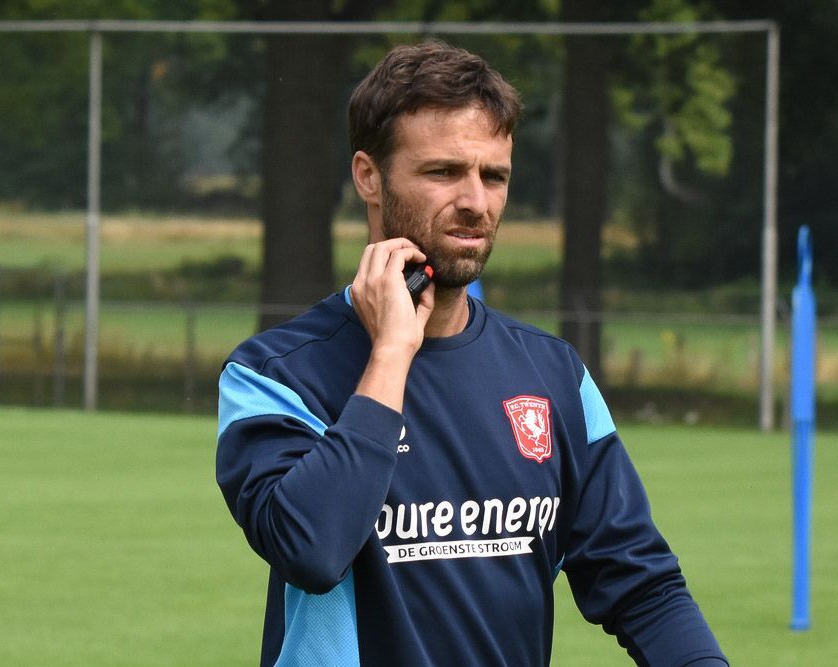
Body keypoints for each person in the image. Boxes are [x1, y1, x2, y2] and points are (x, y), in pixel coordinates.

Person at [217, 40, 728, 666]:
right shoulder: (275, 375)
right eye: (443, 172)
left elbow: (642, 586)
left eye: (494, 176)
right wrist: (391, 354)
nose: (476, 202)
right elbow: (311, 548)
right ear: (368, 176)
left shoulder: (554, 374)